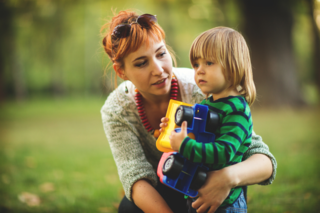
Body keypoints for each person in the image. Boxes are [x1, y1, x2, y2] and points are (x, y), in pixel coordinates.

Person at [100, 10, 277, 213]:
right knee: (129, 209)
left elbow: (262, 159)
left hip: (212, 183)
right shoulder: (116, 110)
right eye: (141, 63)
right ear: (121, 71)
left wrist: (226, 179)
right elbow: (135, 176)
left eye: (161, 54)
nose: (158, 69)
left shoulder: (202, 89)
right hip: (166, 187)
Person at [160, 27, 256, 212]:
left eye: (209, 63)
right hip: (196, 191)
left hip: (224, 204)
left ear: (234, 65)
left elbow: (224, 152)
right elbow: (201, 137)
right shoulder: (208, 102)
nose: (199, 71)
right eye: (196, 65)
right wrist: (174, 131)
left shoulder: (236, 110)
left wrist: (185, 145)